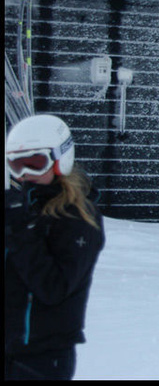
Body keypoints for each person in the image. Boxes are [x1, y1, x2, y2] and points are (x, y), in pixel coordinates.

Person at [5, 114, 105, 381]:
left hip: (42, 359)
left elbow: (54, 289)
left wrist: (21, 231)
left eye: (35, 163)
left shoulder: (78, 217)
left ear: (61, 159)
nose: (25, 174)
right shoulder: (19, 209)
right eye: (16, 165)